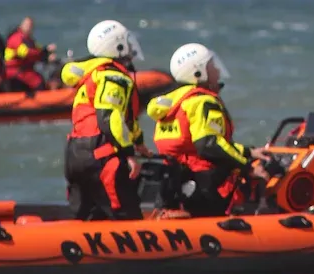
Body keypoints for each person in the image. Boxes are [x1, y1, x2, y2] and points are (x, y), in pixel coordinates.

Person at [146, 43, 268, 217]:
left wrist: (248, 151)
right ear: (198, 72)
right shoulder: (203, 102)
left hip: (178, 180)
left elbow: (193, 144)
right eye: (211, 66)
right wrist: (247, 167)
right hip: (205, 184)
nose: (217, 71)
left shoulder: (174, 103)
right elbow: (209, 144)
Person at [60, 20, 150, 221]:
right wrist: (129, 154)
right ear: (117, 46)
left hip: (75, 154)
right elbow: (109, 117)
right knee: (126, 214)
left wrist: (138, 143)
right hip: (100, 155)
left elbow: (124, 120)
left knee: (89, 216)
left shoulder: (93, 75)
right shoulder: (113, 77)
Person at [3, 16, 57, 92]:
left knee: (42, 78)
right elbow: (25, 52)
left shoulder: (29, 40)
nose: (29, 28)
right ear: (21, 25)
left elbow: (38, 50)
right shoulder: (16, 38)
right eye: (27, 25)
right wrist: (44, 51)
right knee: (38, 82)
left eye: (31, 26)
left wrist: (47, 54)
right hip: (16, 72)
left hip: (26, 70)